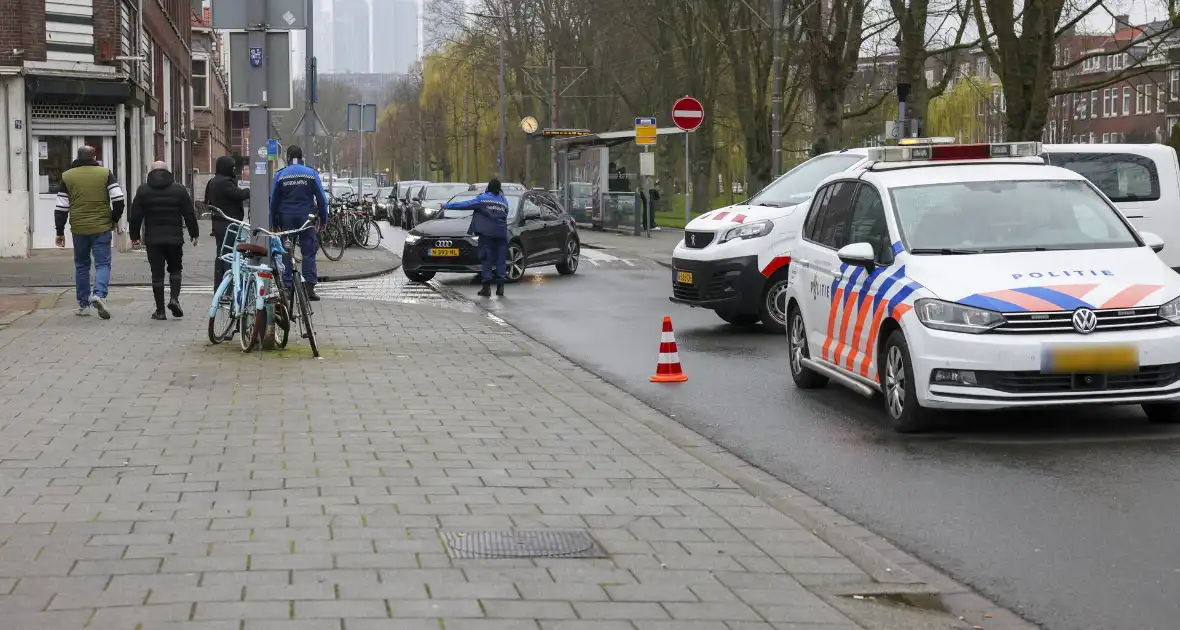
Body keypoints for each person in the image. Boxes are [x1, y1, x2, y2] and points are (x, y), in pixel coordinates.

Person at [55, 145, 125, 319]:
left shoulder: (67, 176)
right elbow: (118, 199)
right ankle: (99, 295)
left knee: (82, 265)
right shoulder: (105, 173)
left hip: (79, 228)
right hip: (101, 227)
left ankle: (83, 305)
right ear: (95, 157)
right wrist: (114, 219)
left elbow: (61, 207)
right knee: (102, 263)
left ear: (78, 157)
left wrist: (60, 231)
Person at [128, 161, 200, 320]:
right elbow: (189, 213)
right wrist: (194, 234)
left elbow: (135, 216)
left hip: (153, 239)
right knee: (175, 269)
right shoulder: (179, 189)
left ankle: (160, 311)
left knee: (157, 274)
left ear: (151, 172)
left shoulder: (143, 190)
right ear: (168, 172)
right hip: (175, 239)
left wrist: (134, 236)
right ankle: (174, 299)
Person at [270, 145, 329, 301]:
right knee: (309, 252)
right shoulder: (311, 174)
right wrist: (324, 220)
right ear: (301, 157)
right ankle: (309, 288)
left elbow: (274, 201)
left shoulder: (281, 175)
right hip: (306, 218)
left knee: (286, 252)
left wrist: (273, 223)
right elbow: (322, 199)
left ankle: (288, 288)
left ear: (288, 157)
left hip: (286, 218)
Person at [442, 178, 510, 297]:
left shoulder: (482, 198)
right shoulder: (504, 201)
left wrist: (446, 205)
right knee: (501, 260)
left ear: (488, 187)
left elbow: (465, 205)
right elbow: (506, 214)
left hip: (487, 234)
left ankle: (486, 288)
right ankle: (500, 287)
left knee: (487, 259)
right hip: (501, 233)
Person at [204, 155, 250, 291]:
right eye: (232, 167)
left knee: (221, 254)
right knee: (228, 255)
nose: (234, 170)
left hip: (218, 223)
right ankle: (228, 286)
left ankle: (219, 285)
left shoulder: (212, 181)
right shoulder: (225, 183)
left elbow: (207, 201)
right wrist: (249, 190)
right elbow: (239, 194)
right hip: (228, 223)